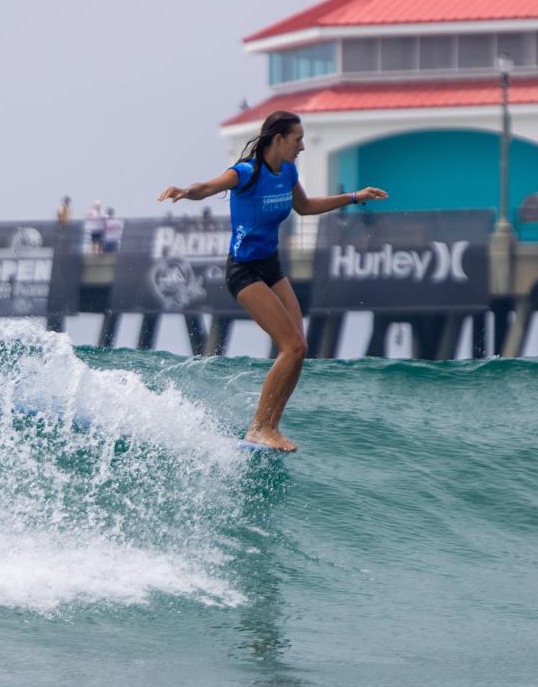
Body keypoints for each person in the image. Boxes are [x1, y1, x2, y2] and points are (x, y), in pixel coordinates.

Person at [157, 110, 387, 452]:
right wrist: (183, 191)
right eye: (298, 139)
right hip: (243, 270)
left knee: (299, 348)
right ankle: (259, 427)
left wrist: (354, 197)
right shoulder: (246, 173)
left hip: (271, 266)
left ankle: (271, 426)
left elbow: (305, 207)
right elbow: (207, 188)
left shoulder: (288, 171)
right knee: (291, 346)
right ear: (278, 139)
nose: (303, 146)